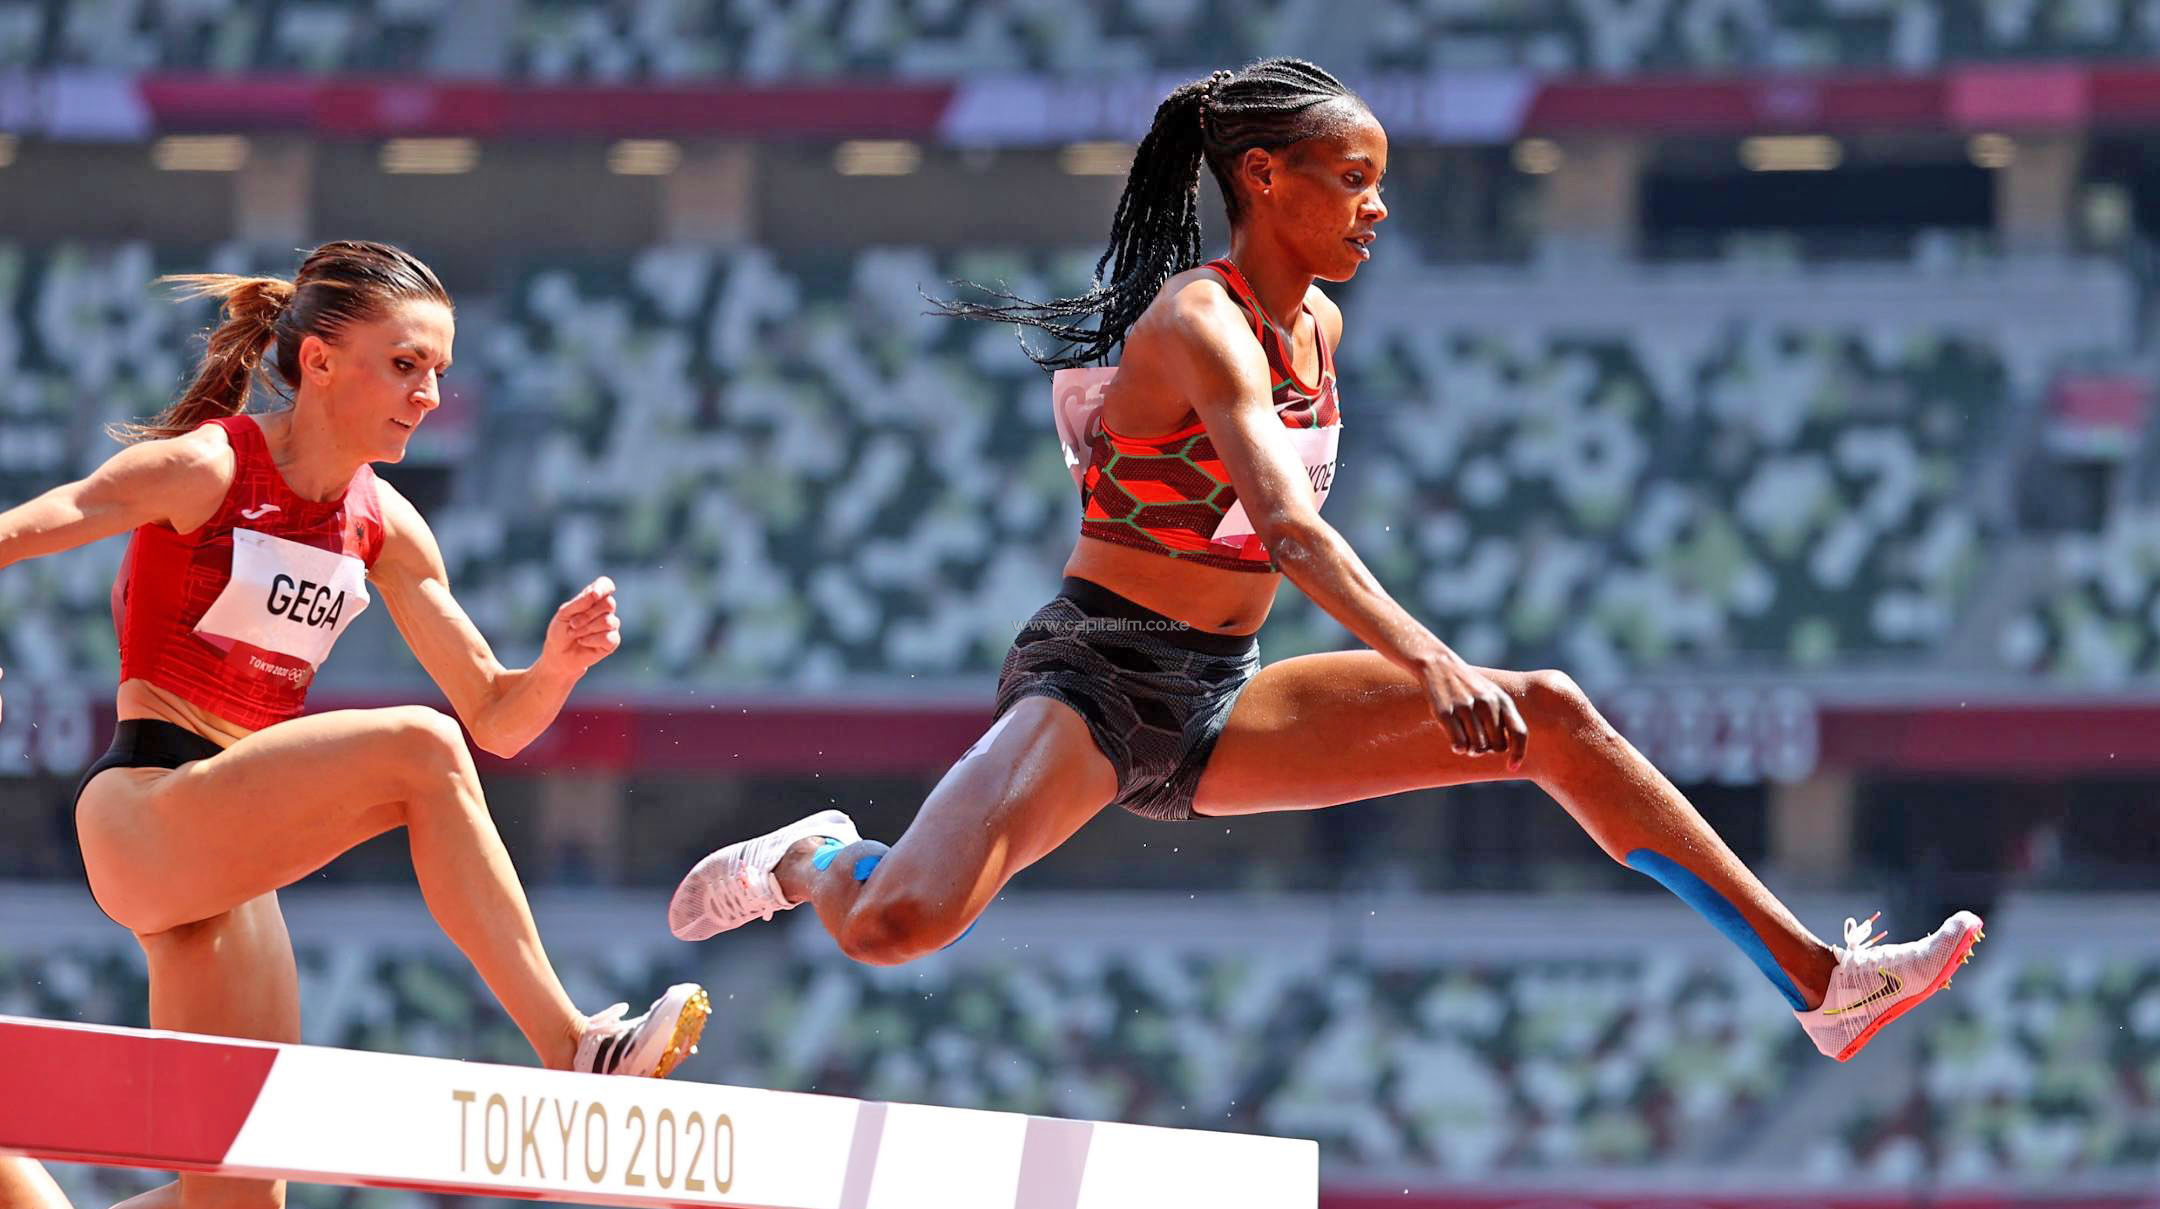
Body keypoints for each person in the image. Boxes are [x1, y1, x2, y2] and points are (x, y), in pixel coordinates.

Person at [669, 60, 1979, 1063]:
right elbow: (1287, 528)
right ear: (1262, 179)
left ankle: (1825, 984)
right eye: (1351, 179)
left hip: (1227, 689)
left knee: (1557, 718)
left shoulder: (1325, 328)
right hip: (1098, 679)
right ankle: (816, 857)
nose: (1377, 205)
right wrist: (1431, 659)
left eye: (1380, 179)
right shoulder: (1200, 320)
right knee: (902, 924)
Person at [0, 241, 708, 1209]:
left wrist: (555, 668)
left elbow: (498, 719)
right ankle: (572, 1040)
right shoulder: (208, 466)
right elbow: (29, 526)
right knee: (417, 747)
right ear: (321, 361)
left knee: (240, 1200)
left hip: (233, 861)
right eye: (407, 364)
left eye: (441, 373)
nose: (430, 394)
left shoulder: (387, 525)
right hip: (151, 809)